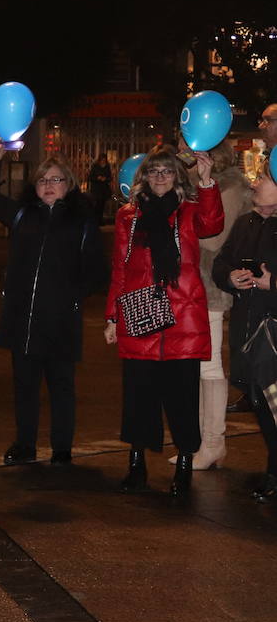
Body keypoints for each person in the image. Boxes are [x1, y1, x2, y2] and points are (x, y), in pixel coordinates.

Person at [0, 142, 107, 465]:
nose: (49, 186)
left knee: (61, 386)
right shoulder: (23, 215)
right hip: (23, 318)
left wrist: (72, 296)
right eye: (43, 180)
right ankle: (25, 443)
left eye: (56, 180)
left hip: (61, 321)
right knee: (25, 386)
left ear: (69, 184)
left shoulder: (82, 222)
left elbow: (97, 270)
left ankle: (62, 448)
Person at [105, 147, 221, 496]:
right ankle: (136, 464)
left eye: (166, 171)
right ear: (143, 177)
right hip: (141, 312)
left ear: (176, 176)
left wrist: (206, 181)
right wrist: (112, 315)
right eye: (153, 171)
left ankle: (185, 464)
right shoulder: (129, 216)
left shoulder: (188, 211)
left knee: (182, 396)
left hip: (182, 316)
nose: (159, 177)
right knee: (139, 395)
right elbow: (120, 269)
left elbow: (212, 223)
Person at [181, 141, 250, 470]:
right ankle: (199, 443)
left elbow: (213, 239)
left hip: (209, 287)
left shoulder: (232, 185)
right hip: (185, 286)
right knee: (191, 367)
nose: (182, 148)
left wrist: (196, 192)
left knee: (208, 366)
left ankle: (213, 443)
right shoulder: (189, 183)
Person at [214, 173, 277, 501]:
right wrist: (230, 277)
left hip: (274, 337)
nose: (254, 185)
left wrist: (273, 285)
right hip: (249, 333)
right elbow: (221, 262)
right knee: (260, 404)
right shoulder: (244, 224)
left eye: (263, 179)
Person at [87, 153, 114, 224]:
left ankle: (100, 220)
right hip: (96, 189)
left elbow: (110, 177)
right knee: (96, 205)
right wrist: (97, 178)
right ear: (99, 160)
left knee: (102, 205)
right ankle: (95, 220)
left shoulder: (107, 167)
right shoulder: (95, 167)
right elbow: (90, 177)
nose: (103, 161)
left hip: (104, 189)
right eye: (101, 160)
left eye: (104, 160)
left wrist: (105, 179)